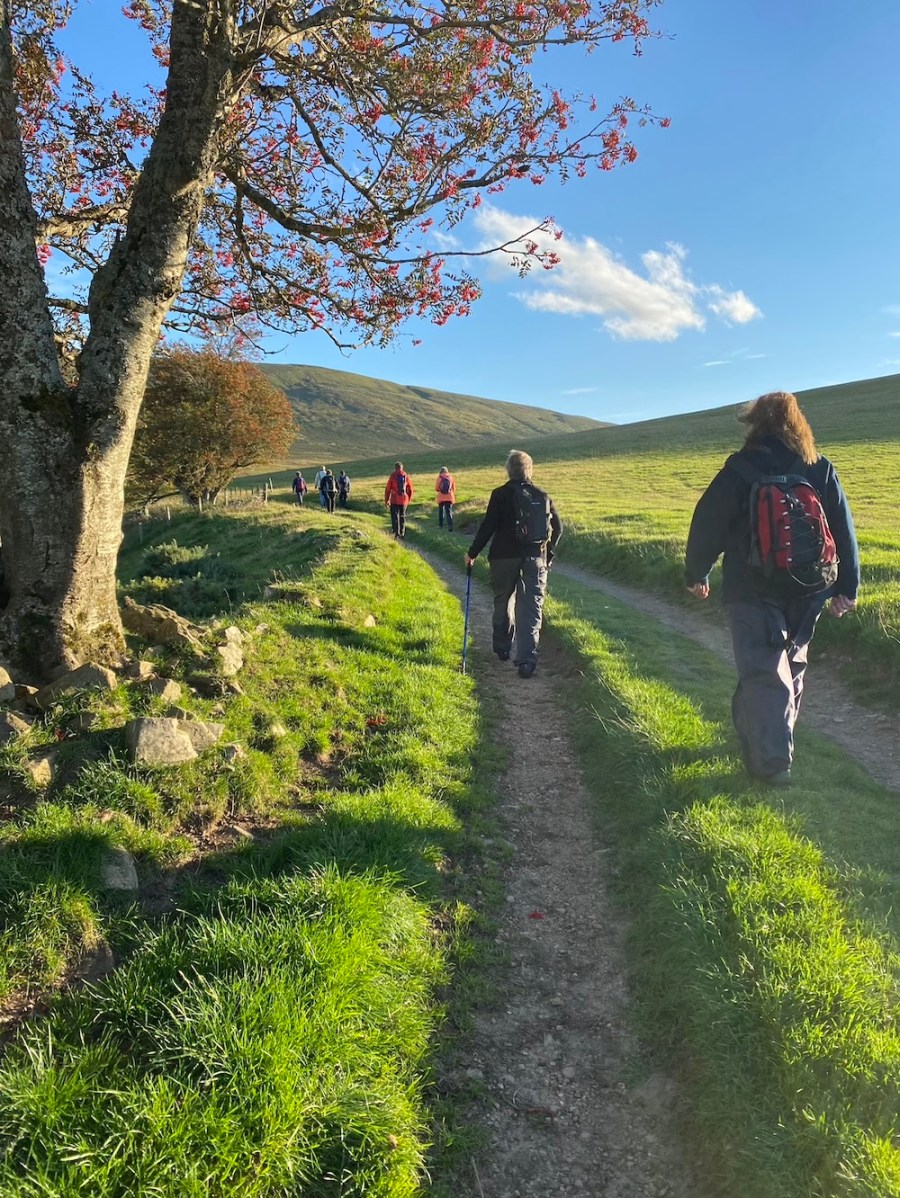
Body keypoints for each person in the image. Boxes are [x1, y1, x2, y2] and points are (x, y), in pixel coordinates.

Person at [685, 390, 860, 786]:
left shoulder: (740, 468)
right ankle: (770, 743)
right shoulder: (819, 467)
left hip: (751, 586)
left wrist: (696, 573)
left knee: (763, 667)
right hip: (810, 586)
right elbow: (843, 531)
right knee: (792, 664)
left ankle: (773, 763)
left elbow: (707, 522)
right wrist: (846, 586)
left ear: (755, 424)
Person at [464, 449, 562, 679]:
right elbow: (558, 528)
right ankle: (527, 660)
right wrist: (548, 555)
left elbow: (488, 526)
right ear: (530, 470)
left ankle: (502, 647)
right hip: (535, 558)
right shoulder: (542, 495)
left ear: (509, 469)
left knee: (503, 600)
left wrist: (472, 553)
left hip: (503, 557)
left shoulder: (500, 494)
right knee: (531, 608)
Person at [385, 461, 413, 538]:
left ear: (395, 468)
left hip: (394, 499)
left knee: (395, 516)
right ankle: (402, 532)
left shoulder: (393, 475)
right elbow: (410, 489)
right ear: (402, 467)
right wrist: (408, 500)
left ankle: (396, 533)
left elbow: (388, 489)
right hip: (404, 500)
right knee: (402, 516)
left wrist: (387, 500)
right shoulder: (405, 475)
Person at [435, 466, 456, 531]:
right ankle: (450, 526)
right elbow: (454, 488)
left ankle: (440, 525)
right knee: (449, 512)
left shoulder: (439, 478)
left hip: (441, 497)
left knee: (441, 512)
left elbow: (436, 488)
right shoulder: (451, 478)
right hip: (449, 497)